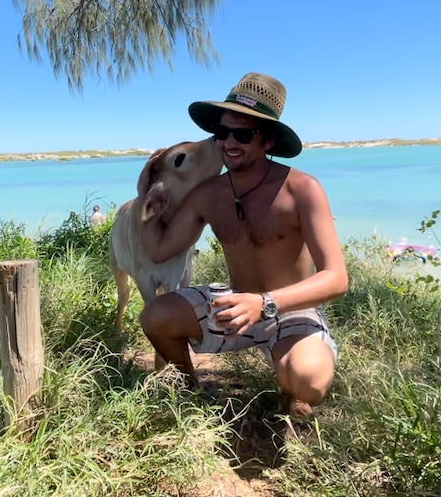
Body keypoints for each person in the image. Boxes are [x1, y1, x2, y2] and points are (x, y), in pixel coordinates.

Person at [138, 72, 348, 418]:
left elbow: (337, 278)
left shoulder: (302, 189)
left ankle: (294, 389)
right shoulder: (209, 194)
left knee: (308, 381)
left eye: (243, 134)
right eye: (221, 132)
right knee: (157, 316)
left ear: (267, 142)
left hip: (291, 308)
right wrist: (144, 194)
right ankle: (190, 391)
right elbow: (159, 251)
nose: (229, 143)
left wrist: (264, 303)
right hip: (236, 304)